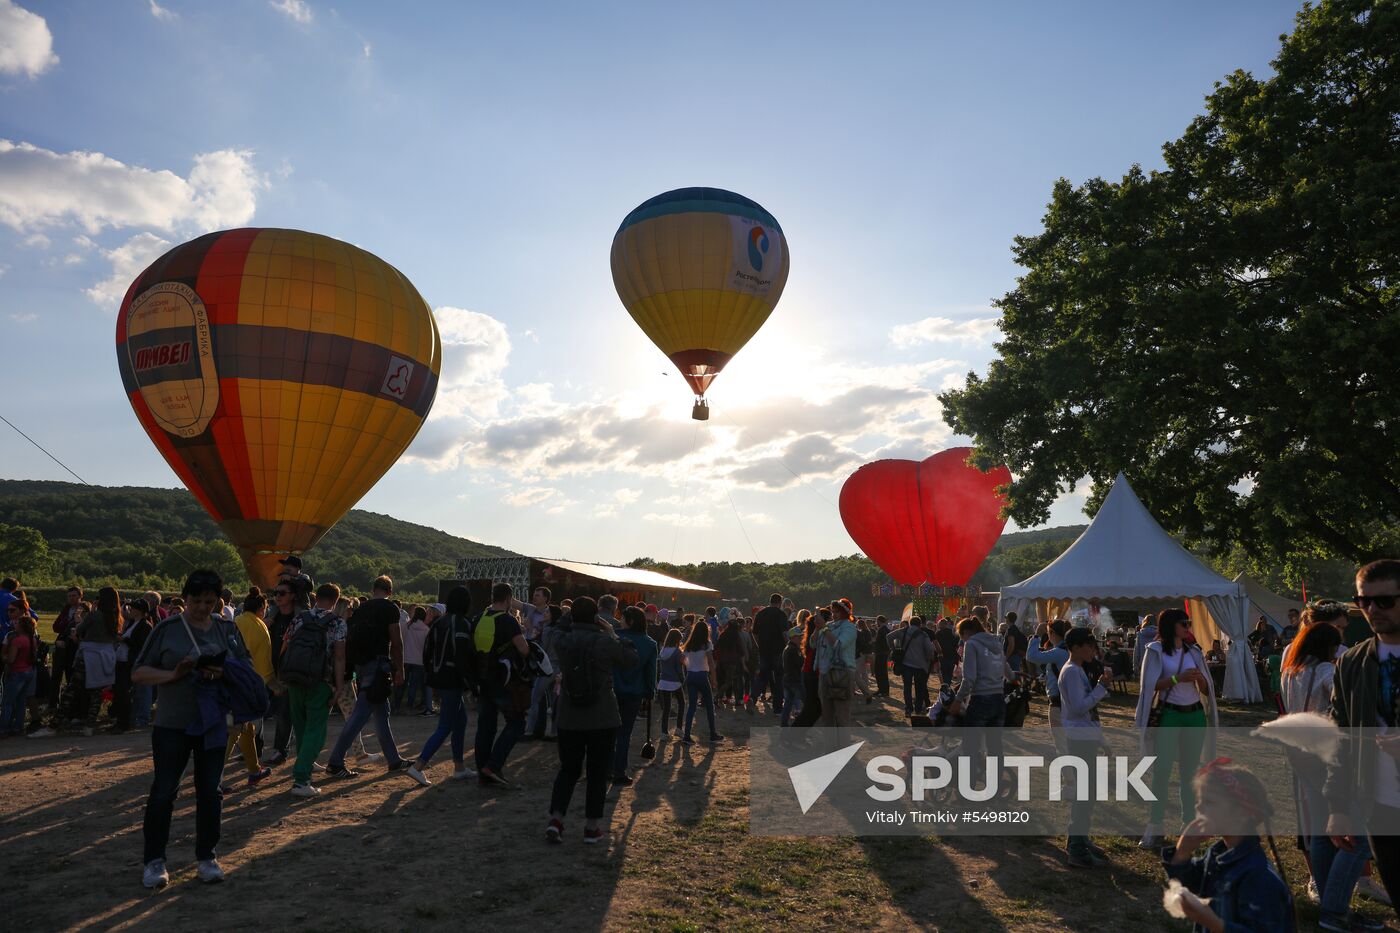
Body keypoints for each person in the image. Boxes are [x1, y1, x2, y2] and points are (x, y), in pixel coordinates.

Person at [133, 569, 252, 888]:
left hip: (212, 723)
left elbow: (247, 669)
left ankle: (207, 857)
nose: (202, 607)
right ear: (184, 598)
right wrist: (173, 674)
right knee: (163, 792)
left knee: (211, 791)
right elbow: (139, 672)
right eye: (196, 600)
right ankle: (154, 861)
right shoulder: (167, 629)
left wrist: (220, 672)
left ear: (219, 600)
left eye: (209, 601)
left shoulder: (227, 629)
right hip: (172, 723)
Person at [1326, 559, 1400, 912]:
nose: (1372, 610)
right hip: (1381, 808)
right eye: (1362, 601)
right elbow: (1340, 737)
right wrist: (1338, 806)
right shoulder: (1352, 662)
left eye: (1383, 601)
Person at [1163, 759, 1296, 933]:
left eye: (1209, 802)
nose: (1198, 806)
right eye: (1199, 800)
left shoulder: (1258, 877)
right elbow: (1190, 885)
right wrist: (1182, 852)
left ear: (1242, 813)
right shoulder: (1218, 854)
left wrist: (1215, 924)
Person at [546, 596, 639, 844]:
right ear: (596, 618)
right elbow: (631, 658)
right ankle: (591, 826)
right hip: (602, 716)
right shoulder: (604, 642)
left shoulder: (563, 641)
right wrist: (612, 633)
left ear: (573, 617)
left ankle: (556, 820)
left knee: (568, 769)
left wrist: (569, 617)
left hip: (569, 715)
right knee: (597, 772)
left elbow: (554, 630)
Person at [1135, 607, 1219, 850]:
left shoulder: (1194, 651)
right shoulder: (1156, 651)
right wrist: (1176, 678)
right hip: (1169, 714)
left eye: (1189, 622)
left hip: (1194, 715)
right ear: (1171, 625)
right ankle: (1155, 826)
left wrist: (1199, 679)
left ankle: (1188, 824)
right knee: (1161, 773)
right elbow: (1148, 686)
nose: (1188, 627)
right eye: (1184, 623)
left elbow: (1206, 690)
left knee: (1190, 773)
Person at [326, 575, 409, 779]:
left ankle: (394, 760)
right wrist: (400, 669)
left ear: (373, 589)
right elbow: (396, 643)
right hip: (378, 664)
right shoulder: (390, 609)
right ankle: (335, 762)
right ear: (389, 591)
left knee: (382, 713)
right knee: (360, 715)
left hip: (362, 666)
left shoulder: (362, 608)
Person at [282, 583, 349, 797]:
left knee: (301, 729)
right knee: (316, 732)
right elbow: (339, 657)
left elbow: (286, 645)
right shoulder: (337, 623)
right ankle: (301, 779)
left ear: (316, 597)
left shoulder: (299, 618)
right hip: (320, 682)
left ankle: (304, 775)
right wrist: (339, 687)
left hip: (294, 678)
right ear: (335, 601)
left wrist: (281, 673)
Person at [406, 586, 476, 786]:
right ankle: (418, 766)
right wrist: (471, 683)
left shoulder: (439, 622)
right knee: (445, 725)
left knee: (460, 721)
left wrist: (431, 675)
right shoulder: (462, 624)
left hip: (438, 677)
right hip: (452, 679)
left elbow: (427, 653)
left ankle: (460, 767)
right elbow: (463, 657)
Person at [1059, 627, 1113, 868]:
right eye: (1089, 646)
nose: (1093, 650)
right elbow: (1080, 707)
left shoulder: (1077, 670)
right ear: (1076, 647)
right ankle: (1077, 849)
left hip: (1084, 735)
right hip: (1079, 737)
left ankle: (1079, 839)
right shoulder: (1071, 672)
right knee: (1085, 792)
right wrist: (1101, 688)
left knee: (1087, 791)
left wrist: (1100, 739)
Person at [471, 582, 530, 786]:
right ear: (508, 599)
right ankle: (493, 766)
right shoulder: (507, 620)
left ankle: (482, 772)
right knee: (517, 723)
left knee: (485, 726)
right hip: (503, 681)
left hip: (481, 680)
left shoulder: (478, 618)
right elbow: (523, 649)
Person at [222, 589, 274, 791]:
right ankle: (213, 774)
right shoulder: (259, 626)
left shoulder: (238, 621)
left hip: (234, 679)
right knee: (236, 729)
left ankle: (254, 770)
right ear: (262, 608)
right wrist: (270, 682)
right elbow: (261, 659)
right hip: (248, 682)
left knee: (246, 728)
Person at [949, 613, 1006, 787]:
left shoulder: (972, 644)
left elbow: (969, 678)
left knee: (971, 747)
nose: (962, 640)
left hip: (981, 699)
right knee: (995, 746)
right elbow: (1006, 666)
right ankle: (996, 786)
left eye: (961, 636)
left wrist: (958, 700)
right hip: (999, 699)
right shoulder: (996, 642)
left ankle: (969, 788)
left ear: (967, 632)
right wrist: (1014, 679)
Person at [611, 606, 657, 785]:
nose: (620, 621)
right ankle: (619, 771)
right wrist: (649, 693)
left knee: (609, 732)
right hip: (635, 693)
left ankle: (607, 767)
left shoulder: (615, 637)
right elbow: (651, 672)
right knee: (624, 734)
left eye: (622, 618)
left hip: (612, 690)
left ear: (628, 621)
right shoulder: (650, 643)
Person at [262, 581, 301, 766]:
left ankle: (280, 750)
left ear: (293, 595)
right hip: (267, 668)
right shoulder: (271, 619)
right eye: (276, 593)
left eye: (282, 593)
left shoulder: (299, 620)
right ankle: (253, 748)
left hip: (286, 671)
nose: (278, 596)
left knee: (284, 713)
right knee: (257, 709)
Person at [75, 586, 123, 736]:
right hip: (107, 655)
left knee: (73, 688)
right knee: (97, 692)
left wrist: (80, 619)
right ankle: (90, 724)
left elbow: (80, 630)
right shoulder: (117, 617)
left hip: (90, 654)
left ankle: (56, 723)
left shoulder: (94, 615)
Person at [816, 601, 858, 730]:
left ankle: (843, 748)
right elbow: (813, 644)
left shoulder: (849, 627)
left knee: (842, 717)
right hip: (825, 673)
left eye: (837, 611)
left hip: (842, 674)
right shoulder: (829, 626)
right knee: (827, 717)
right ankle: (830, 748)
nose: (833, 614)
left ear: (845, 613)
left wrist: (824, 628)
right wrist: (817, 628)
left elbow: (838, 645)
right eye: (833, 611)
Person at [681, 619, 721, 744]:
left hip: (691, 676)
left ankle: (686, 735)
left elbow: (682, 659)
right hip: (702, 675)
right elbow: (711, 663)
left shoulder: (688, 644)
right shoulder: (707, 644)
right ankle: (712, 733)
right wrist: (714, 679)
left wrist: (689, 665)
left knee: (691, 706)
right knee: (709, 705)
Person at [1, 597, 37, 736]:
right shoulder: (32, 638)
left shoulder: (15, 639)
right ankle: (18, 727)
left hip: (16, 671)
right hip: (28, 671)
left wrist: (5, 658)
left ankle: (4, 727)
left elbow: (10, 659)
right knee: (21, 701)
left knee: (8, 701)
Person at [119, 598, 156, 731]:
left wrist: (125, 640)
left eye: (133, 608)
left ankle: (142, 719)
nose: (131, 610)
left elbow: (141, 645)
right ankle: (134, 718)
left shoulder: (145, 625)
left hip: (139, 661)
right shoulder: (132, 623)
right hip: (129, 660)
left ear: (140, 611)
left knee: (142, 691)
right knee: (135, 692)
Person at [1028, 620, 1072, 732]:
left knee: (1061, 742)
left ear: (1052, 633)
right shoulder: (1067, 649)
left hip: (1058, 702)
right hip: (1066, 700)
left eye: (1048, 633)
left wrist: (1037, 635)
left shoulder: (1058, 652)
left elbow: (1031, 656)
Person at [751, 594, 789, 716]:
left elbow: (754, 633)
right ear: (780, 602)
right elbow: (784, 634)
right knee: (779, 680)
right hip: (778, 651)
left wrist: (759, 645)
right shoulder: (781, 614)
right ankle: (777, 709)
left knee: (762, 677)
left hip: (764, 651)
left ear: (770, 601)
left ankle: (750, 699)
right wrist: (788, 646)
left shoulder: (760, 614)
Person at [888, 616, 933, 716]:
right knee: (919, 688)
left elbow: (889, 637)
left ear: (909, 623)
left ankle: (908, 709)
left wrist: (894, 648)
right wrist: (928, 659)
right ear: (920, 624)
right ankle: (918, 708)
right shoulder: (923, 634)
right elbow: (929, 649)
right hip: (920, 665)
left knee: (907, 687)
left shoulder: (902, 631)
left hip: (905, 664)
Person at [47, 586, 84, 707]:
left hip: (74, 646)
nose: (71, 598)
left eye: (74, 596)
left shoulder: (84, 609)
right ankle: (53, 704)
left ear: (80, 596)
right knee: (56, 676)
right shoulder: (66, 609)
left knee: (71, 676)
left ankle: (71, 705)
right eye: (69, 596)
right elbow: (55, 627)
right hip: (61, 646)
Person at [791, 609, 826, 729]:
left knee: (813, 708)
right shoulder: (816, 638)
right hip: (812, 673)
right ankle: (794, 734)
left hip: (808, 673)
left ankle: (796, 734)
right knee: (813, 708)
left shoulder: (810, 638)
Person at [395, 605, 431, 716]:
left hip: (405, 659)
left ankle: (396, 706)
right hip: (419, 661)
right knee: (413, 686)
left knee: (402, 684)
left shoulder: (406, 626)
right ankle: (409, 707)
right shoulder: (426, 630)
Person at [656, 629, 686, 736]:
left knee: (667, 707)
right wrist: (683, 679)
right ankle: (678, 728)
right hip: (675, 681)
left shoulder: (663, 650)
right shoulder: (677, 652)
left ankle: (664, 732)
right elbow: (679, 669)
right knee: (682, 703)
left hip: (664, 681)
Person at [781, 625, 804, 727]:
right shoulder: (793, 650)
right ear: (793, 637)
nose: (801, 639)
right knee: (805, 702)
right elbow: (800, 663)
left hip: (787, 679)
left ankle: (784, 723)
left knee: (788, 704)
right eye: (799, 637)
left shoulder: (788, 648)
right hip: (794, 680)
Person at [933, 617, 960, 688]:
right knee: (949, 672)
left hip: (943, 655)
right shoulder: (952, 632)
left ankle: (946, 686)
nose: (939, 625)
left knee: (944, 672)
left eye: (939, 624)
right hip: (951, 655)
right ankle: (947, 685)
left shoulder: (937, 633)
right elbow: (956, 643)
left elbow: (935, 645)